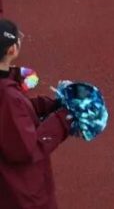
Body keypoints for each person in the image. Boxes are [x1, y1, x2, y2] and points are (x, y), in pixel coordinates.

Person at [0, 18, 74, 206]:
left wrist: (49, 105)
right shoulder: (8, 96)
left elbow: (13, 115)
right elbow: (25, 150)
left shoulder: (9, 91)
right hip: (21, 193)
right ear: (12, 50)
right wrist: (64, 119)